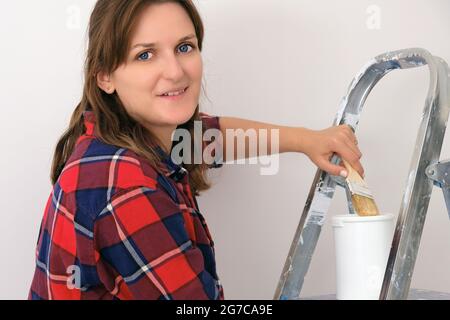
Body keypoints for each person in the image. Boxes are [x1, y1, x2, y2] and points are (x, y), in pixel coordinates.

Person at [28, 0, 363, 300]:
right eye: (145, 54)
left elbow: (210, 136)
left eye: (185, 47)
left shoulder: (126, 137)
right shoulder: (124, 184)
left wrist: (307, 140)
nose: (175, 72)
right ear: (105, 77)